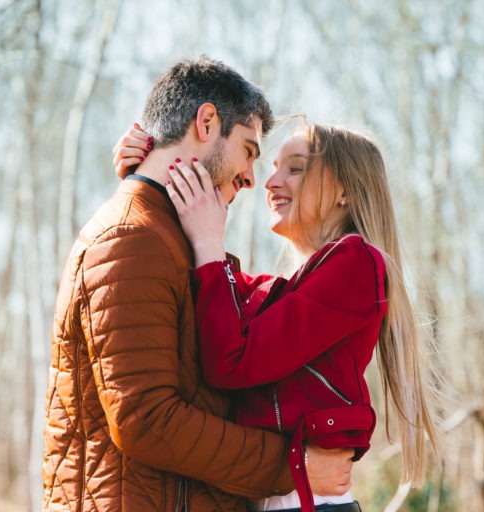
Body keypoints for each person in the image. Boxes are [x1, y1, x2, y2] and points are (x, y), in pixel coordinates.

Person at [43, 56, 354, 512]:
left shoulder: (167, 236)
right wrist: (295, 466)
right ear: (206, 122)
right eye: (249, 149)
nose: (252, 178)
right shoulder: (132, 239)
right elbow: (145, 420)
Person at [114, 123, 442, 511]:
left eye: (296, 168)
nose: (270, 182)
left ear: (345, 191)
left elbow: (229, 360)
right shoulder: (288, 287)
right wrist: (148, 176)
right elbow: (203, 287)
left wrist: (208, 242)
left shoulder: (357, 263)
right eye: (273, 167)